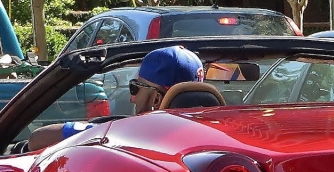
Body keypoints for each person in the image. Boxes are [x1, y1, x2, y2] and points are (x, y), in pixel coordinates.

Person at [27, 45, 204, 152]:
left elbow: (37, 139)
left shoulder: (125, 135)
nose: (132, 99)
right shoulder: (218, 137)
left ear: (156, 100)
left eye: (135, 88)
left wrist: (99, 130)